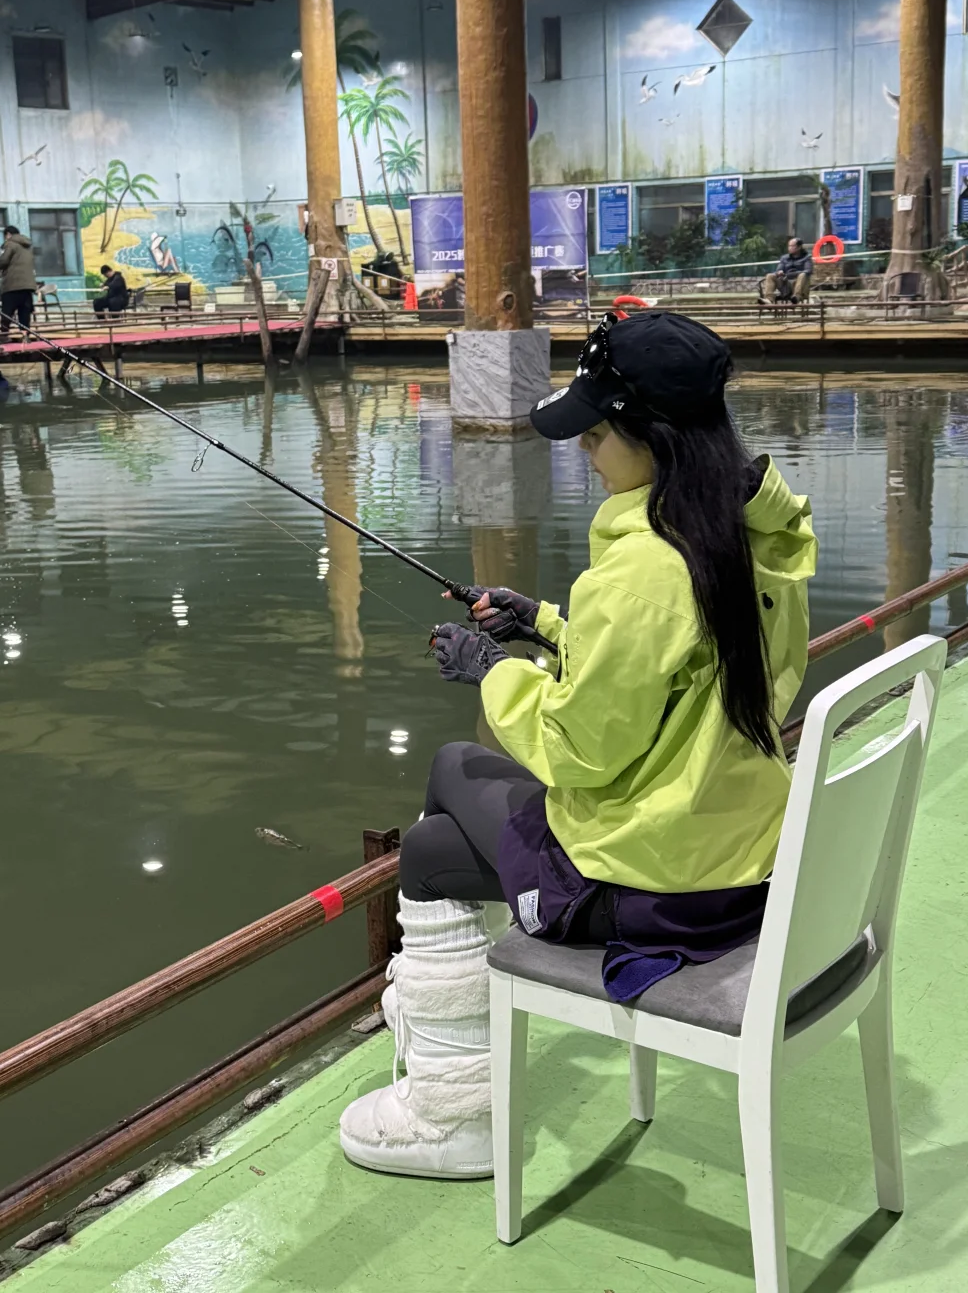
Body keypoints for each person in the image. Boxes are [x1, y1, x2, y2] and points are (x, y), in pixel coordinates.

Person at [339, 311, 818, 1180]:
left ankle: (453, 1109)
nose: (587, 452)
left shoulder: (640, 572)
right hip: (745, 859)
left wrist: (490, 670)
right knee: (442, 823)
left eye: (597, 434)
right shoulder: (753, 532)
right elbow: (679, 668)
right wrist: (546, 625)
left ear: (653, 436)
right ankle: (457, 1060)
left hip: (661, 892)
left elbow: (576, 753)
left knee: (437, 825)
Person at [0, 226, 37, 338]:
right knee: (24, 313)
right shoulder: (27, 246)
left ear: (8, 234)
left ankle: (3, 336)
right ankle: (25, 336)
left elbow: (4, 260)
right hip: (27, 286)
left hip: (12, 285)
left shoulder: (10, 244)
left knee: (7, 312)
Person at [761, 237, 812, 304]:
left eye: (792, 246)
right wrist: (779, 272)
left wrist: (792, 274)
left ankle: (796, 297)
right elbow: (778, 270)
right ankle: (769, 299)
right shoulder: (784, 258)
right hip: (785, 284)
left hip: (798, 283)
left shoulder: (806, 257)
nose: (789, 248)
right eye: (789, 246)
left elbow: (808, 270)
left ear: (799, 247)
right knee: (770, 275)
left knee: (803, 274)